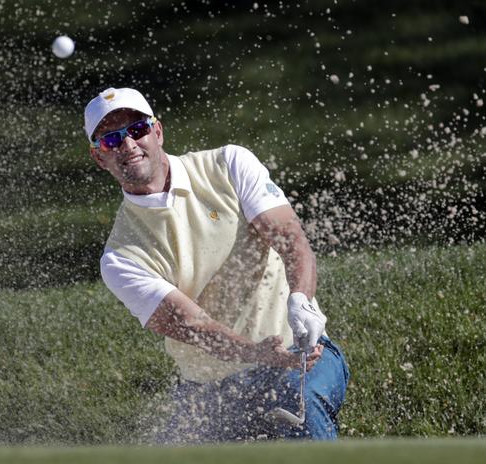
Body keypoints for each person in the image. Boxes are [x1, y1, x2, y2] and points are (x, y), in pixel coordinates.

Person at [84, 87, 349, 442]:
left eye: (136, 130)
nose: (128, 145)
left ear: (157, 131)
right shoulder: (120, 257)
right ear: (99, 157)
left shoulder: (228, 164)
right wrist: (255, 353)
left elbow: (290, 237)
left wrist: (301, 299)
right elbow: (194, 325)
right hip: (209, 390)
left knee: (296, 401)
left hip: (302, 359)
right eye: (110, 140)